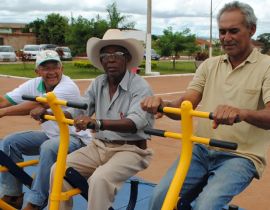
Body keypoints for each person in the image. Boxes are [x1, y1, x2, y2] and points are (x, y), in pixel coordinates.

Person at [141, 1, 270, 210]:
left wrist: (242, 113)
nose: (226, 38)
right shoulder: (209, 65)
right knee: (159, 199)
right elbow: (185, 104)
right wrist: (162, 104)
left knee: (206, 206)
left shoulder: (266, 67)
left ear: (252, 30)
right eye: (222, 32)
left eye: (233, 31)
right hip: (200, 149)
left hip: (240, 155)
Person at [47, 29, 154, 210]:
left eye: (117, 54)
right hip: (99, 146)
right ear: (101, 60)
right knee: (58, 170)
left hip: (131, 150)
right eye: (105, 55)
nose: (111, 59)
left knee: (100, 179)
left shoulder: (140, 86)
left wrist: (97, 123)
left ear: (127, 58)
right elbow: (79, 109)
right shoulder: (99, 82)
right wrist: (48, 112)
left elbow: (133, 123)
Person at [0, 50, 92, 210]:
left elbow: (39, 105)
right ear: (37, 71)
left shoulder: (68, 86)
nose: (51, 72)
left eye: (55, 67)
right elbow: (5, 101)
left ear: (62, 68)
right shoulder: (34, 83)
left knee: (48, 148)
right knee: (10, 142)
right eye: (45, 68)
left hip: (77, 139)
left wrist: (3, 112)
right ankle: (13, 195)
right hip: (52, 136)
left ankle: (35, 202)